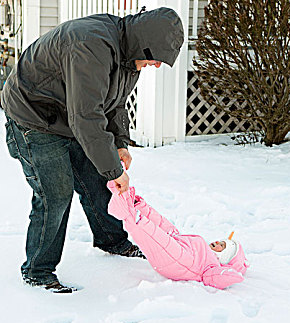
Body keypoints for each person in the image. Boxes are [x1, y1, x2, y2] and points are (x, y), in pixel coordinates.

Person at [1, 7, 184, 293]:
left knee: (99, 181)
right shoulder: (90, 45)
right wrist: (113, 167)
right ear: (145, 42)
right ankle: (37, 271)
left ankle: (112, 241)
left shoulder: (128, 54)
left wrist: (119, 143)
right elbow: (86, 117)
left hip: (67, 115)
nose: (156, 65)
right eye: (156, 57)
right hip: (33, 115)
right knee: (55, 192)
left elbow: (114, 103)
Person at [107, 183, 249, 289]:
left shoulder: (211, 266)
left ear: (224, 257)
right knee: (165, 227)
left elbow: (214, 277)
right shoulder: (205, 251)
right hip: (181, 245)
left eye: (222, 246)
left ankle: (131, 214)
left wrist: (229, 275)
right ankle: (136, 205)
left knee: (155, 236)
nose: (217, 242)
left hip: (182, 260)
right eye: (221, 241)